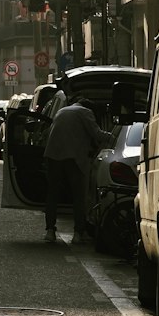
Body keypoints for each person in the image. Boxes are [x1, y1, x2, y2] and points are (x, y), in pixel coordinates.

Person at [41, 96, 108, 244]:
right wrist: (114, 136)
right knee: (79, 195)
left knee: (52, 194)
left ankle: (50, 231)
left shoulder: (61, 111)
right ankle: (78, 233)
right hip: (73, 158)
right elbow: (96, 133)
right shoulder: (85, 112)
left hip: (53, 156)